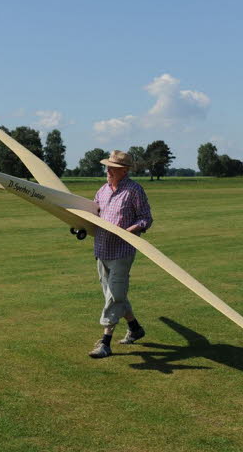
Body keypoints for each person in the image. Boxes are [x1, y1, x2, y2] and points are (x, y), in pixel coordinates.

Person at [88, 150, 153, 359]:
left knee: (114, 295)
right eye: (107, 167)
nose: (108, 171)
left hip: (122, 251)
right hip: (101, 250)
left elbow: (146, 219)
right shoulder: (102, 190)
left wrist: (130, 230)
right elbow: (94, 215)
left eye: (113, 168)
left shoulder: (134, 190)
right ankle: (135, 328)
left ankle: (105, 343)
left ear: (124, 171)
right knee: (115, 294)